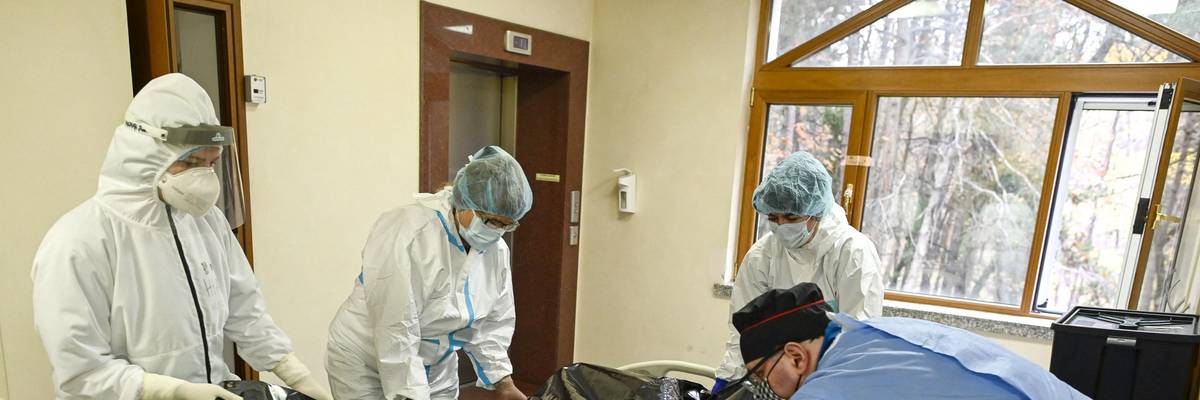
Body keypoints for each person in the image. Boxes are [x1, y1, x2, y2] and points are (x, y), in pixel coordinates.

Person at [31, 73, 330, 400]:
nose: (203, 177)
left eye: (211, 163)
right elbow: (80, 373)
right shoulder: (78, 242)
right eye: (190, 162)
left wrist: (293, 372)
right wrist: (171, 391)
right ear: (145, 154)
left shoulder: (205, 223)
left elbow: (245, 310)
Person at [326, 146, 532, 400]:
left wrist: (503, 382)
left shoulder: (495, 251)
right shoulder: (409, 233)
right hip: (365, 362)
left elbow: (492, 323)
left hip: (436, 366)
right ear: (465, 203)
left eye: (507, 225)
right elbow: (396, 329)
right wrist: (413, 394)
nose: (497, 231)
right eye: (491, 221)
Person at [724, 283, 1086, 399]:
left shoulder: (827, 390)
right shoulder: (876, 333)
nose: (762, 388)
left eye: (762, 375)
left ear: (795, 357)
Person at [715, 151, 884, 387]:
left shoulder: (852, 253)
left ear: (816, 212)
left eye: (791, 217)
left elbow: (859, 335)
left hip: (832, 377)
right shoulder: (762, 255)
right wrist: (728, 378)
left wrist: (824, 387)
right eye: (773, 218)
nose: (782, 226)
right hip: (778, 375)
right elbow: (744, 330)